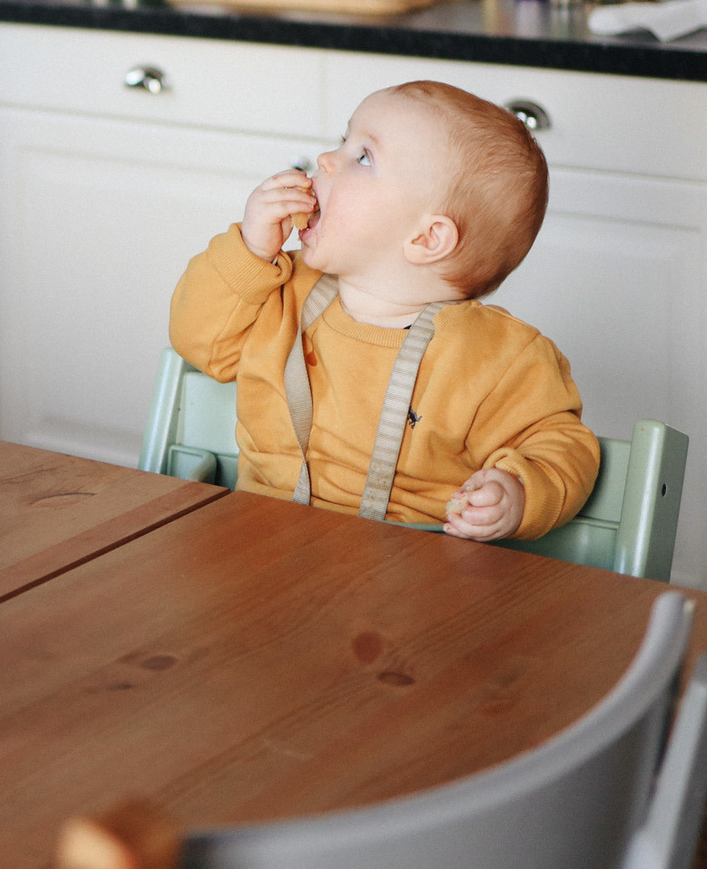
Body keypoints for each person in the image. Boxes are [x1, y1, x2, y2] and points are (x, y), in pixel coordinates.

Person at [168, 80, 597, 539]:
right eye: (342, 141)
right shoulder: (277, 290)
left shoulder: (502, 356)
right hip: (264, 547)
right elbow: (198, 342)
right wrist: (250, 252)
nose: (326, 160)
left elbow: (562, 445)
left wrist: (517, 492)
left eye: (364, 157)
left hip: (411, 578)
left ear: (426, 238)